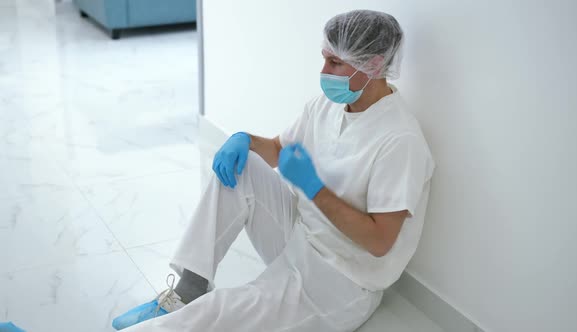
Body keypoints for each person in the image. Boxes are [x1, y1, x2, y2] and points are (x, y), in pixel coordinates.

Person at [112, 9, 435, 332]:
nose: (323, 71)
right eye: (324, 58)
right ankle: (187, 291)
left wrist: (314, 189)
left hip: (342, 282)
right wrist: (244, 139)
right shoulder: (327, 105)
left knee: (219, 313)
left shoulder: (399, 139)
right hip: (300, 238)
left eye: (335, 63)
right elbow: (279, 150)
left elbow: (379, 241)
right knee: (244, 165)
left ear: (375, 65)